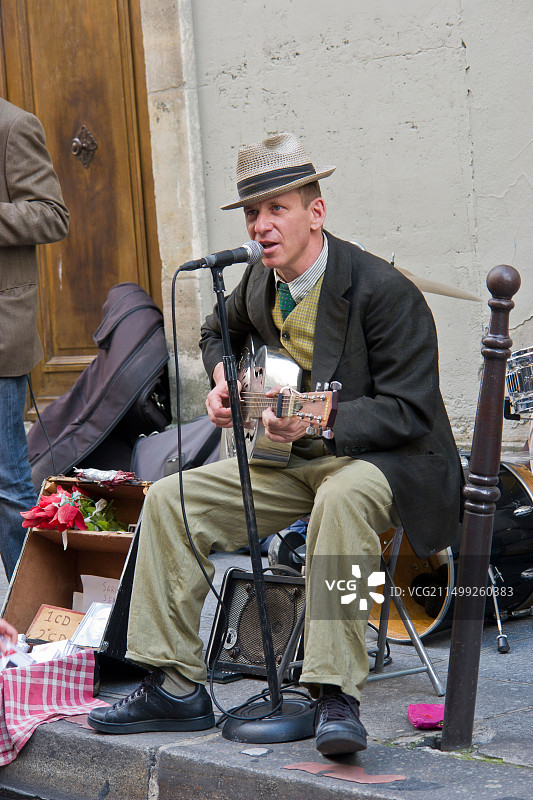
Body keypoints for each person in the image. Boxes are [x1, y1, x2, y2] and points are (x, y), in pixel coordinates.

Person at [88, 132, 462, 755]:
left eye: (277, 209)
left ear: (316, 213)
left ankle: (336, 694)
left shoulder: (382, 290)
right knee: (172, 500)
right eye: (252, 213)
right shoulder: (262, 286)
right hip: (296, 458)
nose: (261, 226)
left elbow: (410, 409)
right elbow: (217, 331)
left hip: (389, 462)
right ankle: (176, 686)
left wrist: (317, 419)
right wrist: (223, 380)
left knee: (341, 502)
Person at [0, 98, 69, 580]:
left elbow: (52, 216)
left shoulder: (14, 125)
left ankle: (35, 614)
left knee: (6, 486)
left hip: (1, 340)